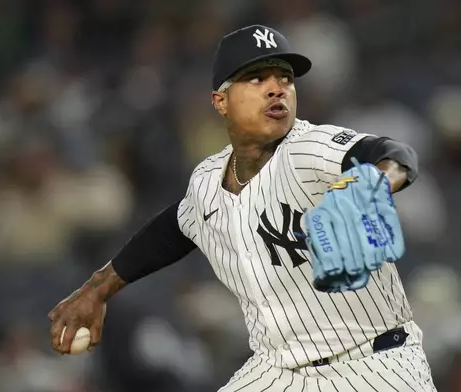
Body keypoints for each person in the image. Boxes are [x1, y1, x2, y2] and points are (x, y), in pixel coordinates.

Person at [49, 25, 437, 391]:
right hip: (279, 371)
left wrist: (377, 181)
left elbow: (393, 154)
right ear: (220, 101)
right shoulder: (208, 179)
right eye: (257, 79)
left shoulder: (309, 148)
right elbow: (171, 231)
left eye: (284, 78)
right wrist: (97, 290)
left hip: (373, 363)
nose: (276, 90)